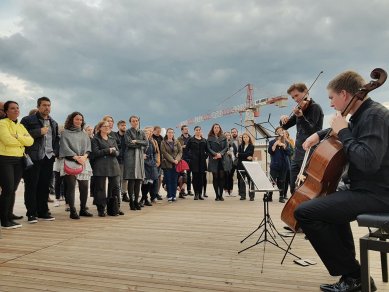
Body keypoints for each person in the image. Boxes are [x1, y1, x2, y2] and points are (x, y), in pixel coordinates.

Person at [295, 70, 389, 292]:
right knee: (328, 204)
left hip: (378, 194)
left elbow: (367, 161)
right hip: (363, 188)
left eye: (331, 98)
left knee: (306, 212)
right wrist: (320, 134)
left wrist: (344, 133)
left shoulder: (374, 116)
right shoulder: (362, 115)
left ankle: (354, 276)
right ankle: (351, 272)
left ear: (345, 95)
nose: (330, 103)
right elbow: (348, 129)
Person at [280, 83, 324, 195]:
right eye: (293, 97)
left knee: (305, 187)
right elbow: (285, 126)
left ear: (305, 92)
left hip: (310, 152)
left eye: (296, 95)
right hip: (297, 153)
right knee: (293, 187)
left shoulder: (315, 107)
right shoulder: (300, 108)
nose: (295, 99)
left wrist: (300, 116)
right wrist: (283, 119)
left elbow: (312, 131)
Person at [21, 97, 59, 223]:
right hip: (33, 157)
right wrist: (39, 131)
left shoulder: (53, 122)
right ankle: (31, 213)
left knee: (44, 186)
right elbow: (22, 136)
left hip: (48, 158)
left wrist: (55, 152)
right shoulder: (27, 120)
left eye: (49, 105)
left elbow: (56, 140)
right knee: (32, 185)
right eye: (44, 105)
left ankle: (43, 211)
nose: (47, 107)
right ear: (38, 106)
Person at [0, 101, 34, 229]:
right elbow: (7, 141)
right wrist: (21, 140)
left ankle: (9, 215)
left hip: (19, 160)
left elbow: (30, 141)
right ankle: (4, 220)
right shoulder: (1, 124)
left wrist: (17, 136)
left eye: (18, 108)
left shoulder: (20, 126)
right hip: (5, 159)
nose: (16, 110)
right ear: (6, 111)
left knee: (12, 189)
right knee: (7, 189)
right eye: (13, 108)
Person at [59, 112, 93, 219]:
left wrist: (84, 157)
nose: (79, 121)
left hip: (83, 161)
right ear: (71, 120)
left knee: (84, 187)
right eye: (77, 119)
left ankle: (83, 209)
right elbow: (64, 148)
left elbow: (88, 148)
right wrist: (75, 157)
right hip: (70, 161)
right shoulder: (65, 133)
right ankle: (72, 211)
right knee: (71, 187)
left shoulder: (84, 133)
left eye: (81, 120)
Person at [91, 120, 121, 217]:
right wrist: (108, 150)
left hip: (113, 165)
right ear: (100, 128)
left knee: (115, 187)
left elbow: (117, 152)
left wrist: (113, 152)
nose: (107, 127)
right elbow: (95, 153)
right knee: (100, 188)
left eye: (108, 126)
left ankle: (113, 208)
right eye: (104, 126)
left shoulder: (112, 138)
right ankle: (101, 208)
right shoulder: (95, 139)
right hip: (100, 166)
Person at [123, 115, 147, 210]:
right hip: (131, 158)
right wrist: (140, 144)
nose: (135, 122)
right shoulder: (128, 132)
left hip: (140, 158)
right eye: (133, 121)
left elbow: (146, 143)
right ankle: (131, 202)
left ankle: (137, 201)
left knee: (138, 181)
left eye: (136, 121)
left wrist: (136, 141)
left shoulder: (141, 132)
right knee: (131, 180)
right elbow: (128, 143)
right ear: (130, 122)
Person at [268, 127, 292, 203]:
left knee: (282, 181)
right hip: (274, 165)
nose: (279, 132)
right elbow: (270, 152)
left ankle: (281, 196)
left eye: (281, 131)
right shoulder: (271, 142)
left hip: (283, 165)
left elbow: (289, 153)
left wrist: (284, 146)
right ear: (275, 133)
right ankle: (269, 196)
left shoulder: (286, 142)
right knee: (272, 181)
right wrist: (275, 144)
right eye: (277, 131)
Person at [207, 123, 230, 201]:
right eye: (215, 127)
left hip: (222, 159)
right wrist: (215, 154)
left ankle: (221, 195)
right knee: (215, 177)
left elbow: (227, 147)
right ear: (213, 129)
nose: (216, 129)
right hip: (214, 159)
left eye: (218, 127)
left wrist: (221, 154)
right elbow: (208, 148)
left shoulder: (223, 137)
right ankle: (217, 195)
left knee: (222, 177)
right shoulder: (209, 138)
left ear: (220, 129)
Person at [160, 128, 182, 202]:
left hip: (176, 164)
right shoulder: (163, 142)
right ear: (166, 133)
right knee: (168, 180)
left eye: (172, 132)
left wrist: (177, 160)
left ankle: (174, 195)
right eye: (169, 132)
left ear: (173, 133)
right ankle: (169, 195)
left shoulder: (177, 141)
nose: (170, 134)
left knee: (174, 180)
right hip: (167, 164)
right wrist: (173, 160)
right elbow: (164, 152)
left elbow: (180, 151)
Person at [186, 126, 208, 200]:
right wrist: (190, 158)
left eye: (199, 130)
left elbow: (207, 150)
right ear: (194, 131)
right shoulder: (191, 140)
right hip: (194, 162)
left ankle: (200, 194)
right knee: (195, 178)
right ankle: (196, 194)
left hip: (202, 162)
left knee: (201, 178)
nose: (198, 131)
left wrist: (205, 156)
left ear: (201, 131)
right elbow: (186, 150)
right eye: (196, 130)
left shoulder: (204, 140)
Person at [140, 126, 159, 206]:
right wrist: (141, 156)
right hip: (144, 164)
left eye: (148, 133)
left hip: (151, 164)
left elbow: (155, 152)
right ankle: (143, 199)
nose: (147, 134)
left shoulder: (151, 142)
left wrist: (155, 161)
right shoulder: (141, 142)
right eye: (145, 133)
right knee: (145, 182)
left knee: (150, 182)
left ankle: (144, 199)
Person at [236, 133, 254, 201]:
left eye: (246, 137)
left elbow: (249, 154)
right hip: (241, 165)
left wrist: (240, 154)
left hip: (249, 165)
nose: (245, 138)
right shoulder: (240, 146)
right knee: (242, 181)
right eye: (244, 137)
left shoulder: (251, 146)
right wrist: (245, 156)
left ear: (249, 138)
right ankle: (243, 195)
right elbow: (238, 155)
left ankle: (251, 196)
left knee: (250, 181)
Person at [116, 120, 130, 202]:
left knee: (125, 178)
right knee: (117, 178)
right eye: (122, 125)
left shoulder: (127, 136)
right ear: (118, 126)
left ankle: (124, 193)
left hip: (126, 160)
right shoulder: (115, 135)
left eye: (125, 125)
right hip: (117, 159)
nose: (124, 127)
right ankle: (116, 194)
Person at [177, 125, 193, 197]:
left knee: (189, 175)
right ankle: (182, 191)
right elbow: (176, 148)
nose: (187, 130)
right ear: (182, 130)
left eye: (187, 129)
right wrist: (181, 147)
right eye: (185, 129)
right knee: (182, 175)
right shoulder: (179, 139)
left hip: (190, 158)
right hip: (182, 159)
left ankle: (189, 190)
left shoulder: (191, 138)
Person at [152, 126, 164, 200]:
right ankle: (153, 193)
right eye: (157, 131)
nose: (159, 132)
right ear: (154, 131)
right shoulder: (152, 138)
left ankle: (157, 192)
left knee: (159, 177)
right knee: (154, 177)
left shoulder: (161, 138)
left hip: (161, 160)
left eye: (160, 131)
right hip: (154, 160)